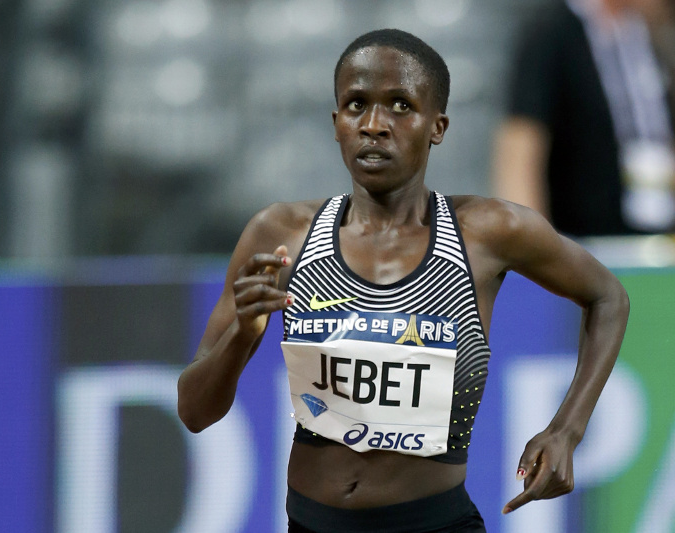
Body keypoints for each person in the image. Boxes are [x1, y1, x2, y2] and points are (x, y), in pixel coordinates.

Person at [178, 29, 630, 533]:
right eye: (355, 105)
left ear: (437, 126)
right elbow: (194, 411)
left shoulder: (487, 233)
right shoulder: (281, 234)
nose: (374, 125)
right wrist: (243, 334)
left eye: (399, 105)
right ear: (335, 123)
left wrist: (567, 429)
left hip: (434, 523)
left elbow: (608, 295)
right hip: (310, 522)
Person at [492, 0, 675, 236]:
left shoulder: (647, 31)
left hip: (653, 236)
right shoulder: (551, 30)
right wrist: (532, 248)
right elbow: (521, 145)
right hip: (583, 245)